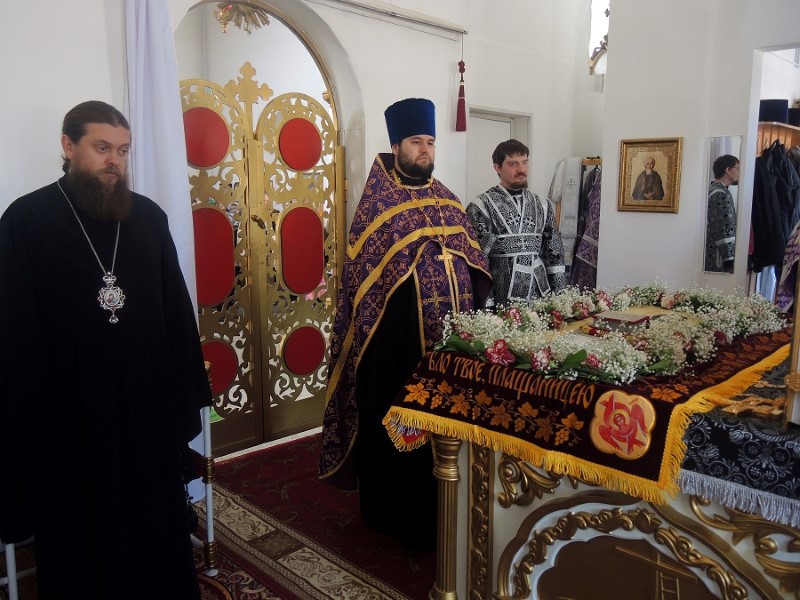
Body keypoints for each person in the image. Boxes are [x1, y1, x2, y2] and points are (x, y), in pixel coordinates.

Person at [0, 101, 212, 599]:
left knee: (152, 520)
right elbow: (13, 328)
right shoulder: (25, 222)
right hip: (68, 416)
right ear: (68, 145)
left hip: (144, 409)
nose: (114, 160)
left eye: (122, 150)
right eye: (102, 148)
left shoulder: (148, 218)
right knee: (79, 530)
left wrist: (181, 394)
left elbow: (176, 313)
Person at [318, 98, 491, 550]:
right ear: (396, 146)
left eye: (430, 142)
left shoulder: (448, 199)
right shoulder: (377, 205)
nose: (425, 150)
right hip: (395, 348)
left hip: (450, 345)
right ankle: (394, 514)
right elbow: (364, 284)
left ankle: (446, 506)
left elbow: (475, 260)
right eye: (416, 141)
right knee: (398, 424)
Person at [467, 139, 566, 305]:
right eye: (513, 164)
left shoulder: (542, 204)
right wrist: (486, 303)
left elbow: (554, 253)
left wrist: (560, 299)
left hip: (539, 295)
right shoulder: (481, 206)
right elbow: (478, 261)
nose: (521, 169)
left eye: (525, 162)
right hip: (501, 297)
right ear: (497, 167)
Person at [704, 154, 740, 273]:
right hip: (717, 256)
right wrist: (729, 259)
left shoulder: (713, 189)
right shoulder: (720, 194)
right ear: (728, 170)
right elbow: (725, 227)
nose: (740, 172)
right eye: (738, 168)